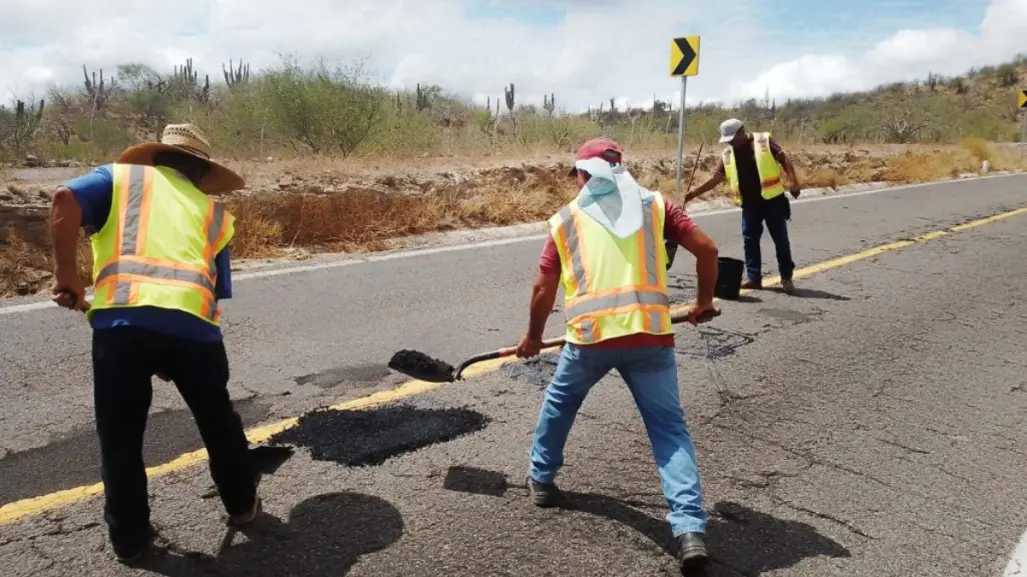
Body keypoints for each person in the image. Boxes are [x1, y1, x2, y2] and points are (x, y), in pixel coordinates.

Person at [48, 123, 261, 563]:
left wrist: (66, 274)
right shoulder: (215, 214)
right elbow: (213, 288)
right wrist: (172, 348)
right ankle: (242, 508)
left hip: (121, 329)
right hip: (194, 332)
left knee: (120, 437)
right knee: (218, 421)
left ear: (155, 159)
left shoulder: (119, 179)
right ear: (202, 173)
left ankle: (130, 541)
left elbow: (64, 199)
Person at [515, 137, 721, 572]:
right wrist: (703, 301)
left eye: (577, 175)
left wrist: (533, 337)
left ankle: (542, 480)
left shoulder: (567, 219)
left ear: (583, 174)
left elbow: (542, 288)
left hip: (590, 340)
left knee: (560, 404)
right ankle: (688, 529)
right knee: (669, 431)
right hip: (650, 338)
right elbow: (708, 249)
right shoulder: (656, 206)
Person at [685, 118, 801, 293]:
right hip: (749, 205)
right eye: (729, 140)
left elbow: (785, 159)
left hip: (773, 201)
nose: (732, 142)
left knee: (780, 240)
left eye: (734, 138)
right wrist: (693, 193)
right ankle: (754, 278)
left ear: (742, 131)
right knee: (750, 241)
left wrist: (793, 181)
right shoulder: (728, 154)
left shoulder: (763, 141)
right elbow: (716, 179)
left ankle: (786, 277)